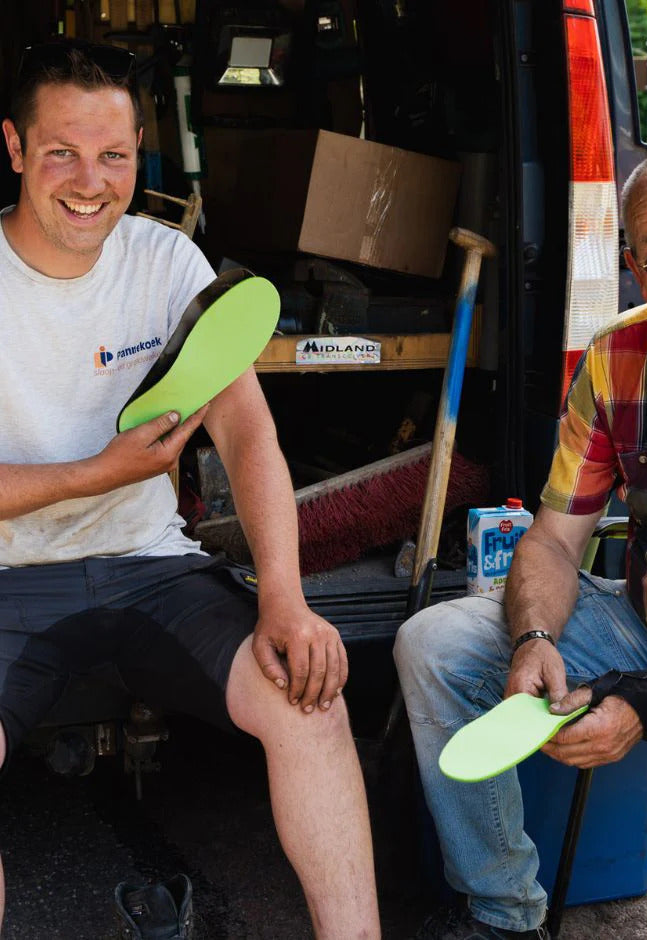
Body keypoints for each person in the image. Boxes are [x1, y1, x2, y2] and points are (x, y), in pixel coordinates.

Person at [0, 39, 380, 938]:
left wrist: (284, 599)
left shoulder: (169, 262)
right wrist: (99, 473)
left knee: (308, 700)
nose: (90, 181)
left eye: (114, 155)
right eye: (61, 152)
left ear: (140, 148)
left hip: (150, 570)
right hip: (12, 577)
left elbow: (247, 431)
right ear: (14, 148)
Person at [395, 141, 647, 940]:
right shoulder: (617, 357)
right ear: (637, 274)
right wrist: (532, 635)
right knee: (434, 640)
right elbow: (553, 539)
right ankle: (504, 914)